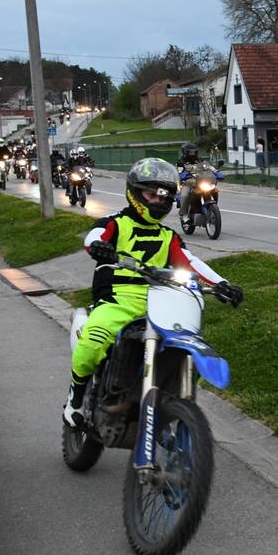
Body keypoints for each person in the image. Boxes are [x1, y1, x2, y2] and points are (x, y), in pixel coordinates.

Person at [63, 158, 244, 426]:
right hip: (117, 300)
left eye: (165, 197)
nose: (159, 201)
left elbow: (190, 261)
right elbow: (94, 236)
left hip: (161, 305)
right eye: (152, 195)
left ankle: (167, 404)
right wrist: (99, 246)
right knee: (93, 342)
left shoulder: (168, 236)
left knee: (183, 347)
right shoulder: (115, 223)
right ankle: (75, 399)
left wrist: (221, 283)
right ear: (135, 192)